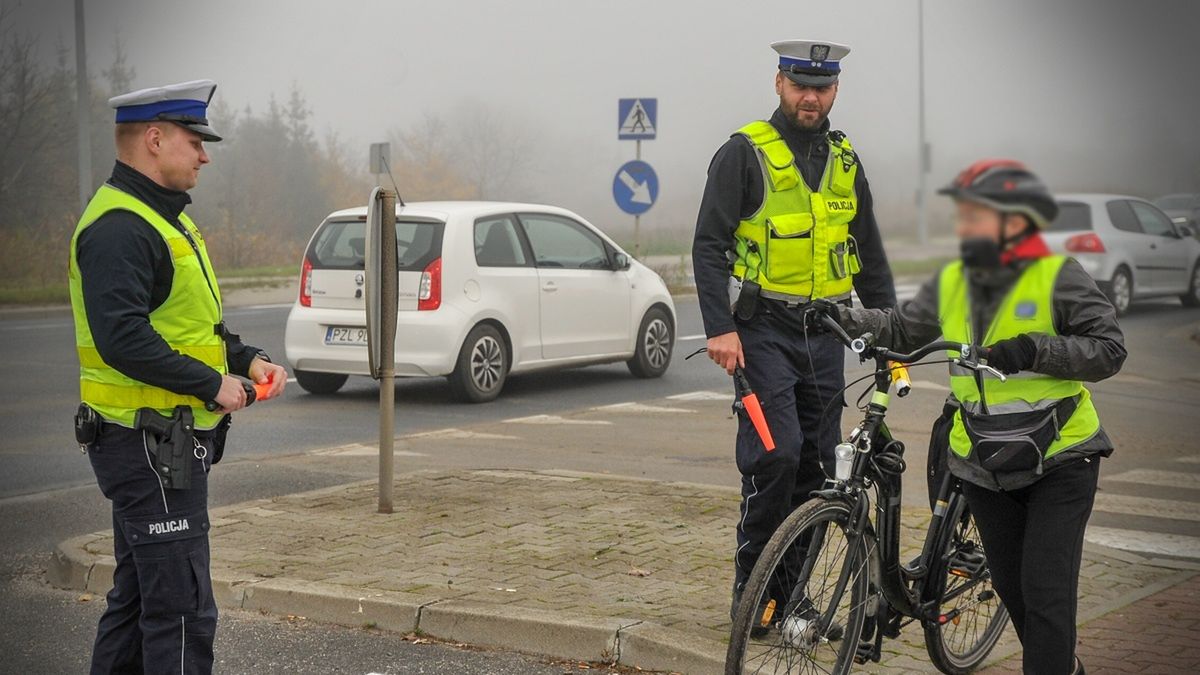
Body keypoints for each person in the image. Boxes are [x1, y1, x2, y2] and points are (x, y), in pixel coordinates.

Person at [820, 159, 1126, 674]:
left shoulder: (1056, 275)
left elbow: (1109, 349)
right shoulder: (954, 280)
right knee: (1010, 587)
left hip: (1060, 459)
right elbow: (901, 328)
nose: (967, 225)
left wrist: (1032, 349)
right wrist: (840, 315)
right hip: (983, 460)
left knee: (1045, 592)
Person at [68, 79, 287, 674]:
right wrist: (212, 385)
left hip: (157, 442)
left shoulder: (163, 218)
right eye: (196, 141)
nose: (205, 154)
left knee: (139, 601)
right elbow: (123, 338)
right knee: (183, 613)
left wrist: (245, 361)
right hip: (149, 445)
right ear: (155, 139)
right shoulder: (120, 226)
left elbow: (193, 326)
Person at [691, 39, 896, 619]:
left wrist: (891, 331)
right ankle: (750, 592)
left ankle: (792, 596)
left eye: (822, 88)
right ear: (779, 84)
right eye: (801, 86)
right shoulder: (742, 153)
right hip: (761, 333)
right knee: (777, 456)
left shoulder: (845, 159)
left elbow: (871, 255)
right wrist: (719, 328)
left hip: (826, 335)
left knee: (821, 470)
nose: (811, 97)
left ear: (835, 90)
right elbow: (708, 247)